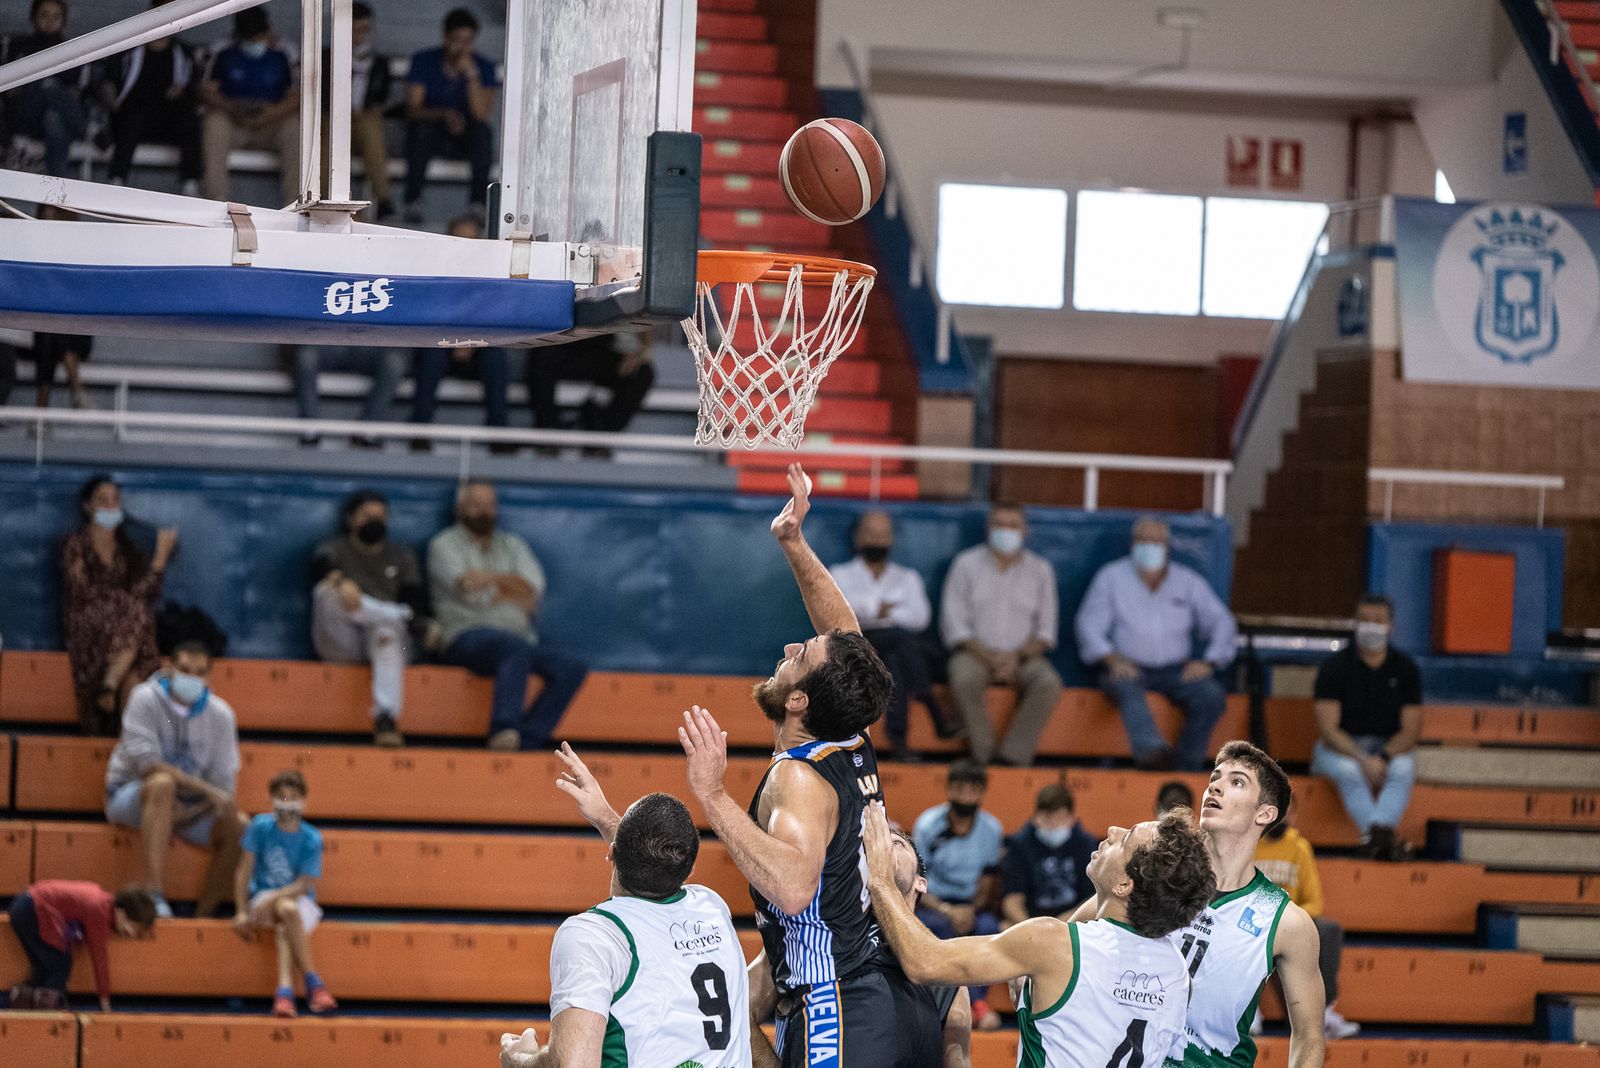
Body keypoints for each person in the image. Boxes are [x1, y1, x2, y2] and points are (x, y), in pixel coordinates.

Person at [677, 463, 938, 1068]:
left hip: (835, 1000)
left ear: (798, 701)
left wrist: (712, 796)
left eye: (800, 657)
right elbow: (844, 633)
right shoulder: (850, 731)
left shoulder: (798, 775)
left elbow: (794, 890)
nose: (792, 646)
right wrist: (794, 541)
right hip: (864, 988)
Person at [863, 800, 1215, 1068]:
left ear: (1125, 885)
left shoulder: (1053, 943)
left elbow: (924, 962)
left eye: (1124, 840)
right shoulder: (1178, 974)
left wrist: (880, 878)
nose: (1111, 830)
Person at [500, 744, 750, 1068]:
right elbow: (655, 864)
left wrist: (520, 1059)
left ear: (612, 853)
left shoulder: (594, 937)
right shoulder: (712, 907)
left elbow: (572, 1065)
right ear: (689, 872)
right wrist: (604, 816)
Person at [1150, 741, 1325, 1068]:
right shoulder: (1156, 873)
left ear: (1265, 813)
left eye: (1237, 782)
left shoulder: (1287, 922)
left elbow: (1309, 1037)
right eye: (1215, 777)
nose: (1214, 786)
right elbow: (1078, 930)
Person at [746, 828, 972, 1068]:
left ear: (921, 883)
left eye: (896, 843)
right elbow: (737, 1009)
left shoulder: (947, 976)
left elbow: (958, 1061)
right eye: (871, 845)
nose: (882, 847)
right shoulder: (810, 938)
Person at [428, 481, 588, 750]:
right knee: (513, 648)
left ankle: (529, 740)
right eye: (477, 505)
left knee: (571, 666)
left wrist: (490, 579)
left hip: (519, 639)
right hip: (466, 636)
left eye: (490, 505)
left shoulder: (511, 544)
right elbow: (471, 593)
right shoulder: (444, 545)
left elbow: (534, 587)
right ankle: (503, 729)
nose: (486, 512)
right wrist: (512, 588)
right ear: (461, 509)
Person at [1075, 516, 1238, 772]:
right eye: (1144, 540)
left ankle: (1187, 767)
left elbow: (1222, 622)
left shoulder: (1187, 581)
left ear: (1168, 546)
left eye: (1157, 541)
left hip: (1177, 669)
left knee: (1211, 696)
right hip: (1127, 667)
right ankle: (1153, 756)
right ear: (1132, 543)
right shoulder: (1111, 577)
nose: (1150, 546)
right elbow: (1088, 624)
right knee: (1126, 687)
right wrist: (1111, 659)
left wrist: (1209, 661)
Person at [103, 639, 247, 919]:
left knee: (240, 826)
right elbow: (149, 766)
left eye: (198, 672)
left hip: (189, 808)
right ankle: (153, 893)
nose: (190, 677)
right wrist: (201, 790)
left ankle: (203, 918)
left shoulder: (222, 716)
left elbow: (224, 791)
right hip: (130, 794)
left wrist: (191, 809)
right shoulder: (145, 698)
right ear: (170, 668)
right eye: (184, 669)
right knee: (162, 784)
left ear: (208, 676)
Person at [940, 501, 1063, 767]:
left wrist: (1015, 658)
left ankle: (1013, 757)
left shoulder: (1040, 570)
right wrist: (990, 657)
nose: (1006, 531)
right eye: (999, 524)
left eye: (1013, 525)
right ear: (988, 528)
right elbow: (955, 626)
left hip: (1025, 657)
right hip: (975, 653)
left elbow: (1045, 632)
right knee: (962, 676)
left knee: (1048, 682)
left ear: (1025, 530)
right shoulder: (966, 564)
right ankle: (983, 756)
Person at [828, 509, 956, 760]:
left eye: (882, 534)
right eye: (871, 534)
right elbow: (843, 614)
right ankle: (930, 704)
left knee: (896, 655)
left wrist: (875, 612)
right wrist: (888, 609)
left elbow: (919, 618)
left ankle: (899, 738)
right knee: (899, 640)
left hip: (893, 648)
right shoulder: (840, 573)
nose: (877, 540)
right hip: (857, 647)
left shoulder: (907, 577)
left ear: (892, 539)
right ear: (858, 538)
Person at [311, 490, 431, 748]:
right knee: (327, 593)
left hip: (391, 645)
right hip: (342, 644)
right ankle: (382, 610)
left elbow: (415, 606)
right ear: (350, 519)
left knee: (388, 631)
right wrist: (342, 582)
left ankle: (386, 718)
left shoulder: (402, 556)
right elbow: (322, 567)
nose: (374, 521)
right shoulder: (333, 548)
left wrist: (394, 615)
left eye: (380, 516)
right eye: (367, 515)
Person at [61, 474, 178, 735]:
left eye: (115, 500)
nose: (110, 506)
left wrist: (159, 559)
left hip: (125, 634)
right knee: (137, 614)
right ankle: (110, 682)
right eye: (102, 500)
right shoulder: (75, 545)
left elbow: (145, 593)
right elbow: (80, 590)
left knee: (136, 675)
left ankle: (115, 702)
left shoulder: (127, 549)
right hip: (88, 626)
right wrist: (120, 601)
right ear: (87, 506)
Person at [1310, 594, 1422, 861]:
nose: (1371, 626)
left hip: (1387, 747)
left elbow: (1411, 730)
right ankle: (1383, 838)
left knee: (1403, 768)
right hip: (1338, 749)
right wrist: (1363, 758)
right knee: (1349, 771)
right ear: (1355, 623)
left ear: (1391, 625)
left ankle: (1374, 840)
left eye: (1378, 620)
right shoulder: (1334, 667)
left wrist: (1382, 757)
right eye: (1364, 620)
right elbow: (1329, 730)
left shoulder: (1406, 668)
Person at [232, 769, 336, 1018]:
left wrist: (273, 898)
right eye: (281, 796)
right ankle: (314, 986)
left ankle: (285, 992)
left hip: (297, 902)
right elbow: (243, 872)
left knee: (287, 914)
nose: (287, 802)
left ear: (304, 801)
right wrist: (241, 911)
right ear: (271, 798)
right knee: (286, 912)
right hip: (261, 900)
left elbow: (303, 885)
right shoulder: (259, 826)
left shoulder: (311, 838)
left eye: (293, 796)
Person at [912, 758, 1006, 1031]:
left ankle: (975, 1004)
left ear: (982, 792)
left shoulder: (991, 829)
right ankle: (956, 1006)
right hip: (932, 902)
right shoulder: (928, 824)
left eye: (973, 789)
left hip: (970, 904)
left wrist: (970, 910)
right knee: (938, 927)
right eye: (960, 788)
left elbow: (986, 885)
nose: (966, 795)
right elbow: (916, 881)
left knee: (989, 927)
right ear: (949, 790)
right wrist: (946, 909)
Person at [1255, 804, 1359, 1040]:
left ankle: (1323, 1011)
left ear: (1294, 815)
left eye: (1288, 811)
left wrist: (1290, 918)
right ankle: (1246, 1011)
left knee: (1328, 930)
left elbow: (1315, 903)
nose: (1283, 817)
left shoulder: (1300, 848)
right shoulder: (1250, 844)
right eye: (1279, 809)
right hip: (1255, 921)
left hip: (1289, 922)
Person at [410, 215, 510, 447]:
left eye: (471, 240)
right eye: (459, 240)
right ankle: (419, 431)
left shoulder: (491, 272)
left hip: (478, 345)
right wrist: (455, 340)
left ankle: (500, 435)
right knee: (431, 356)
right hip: (440, 343)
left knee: (495, 357)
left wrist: (471, 342)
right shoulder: (433, 272)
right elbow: (429, 314)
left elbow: (493, 314)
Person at [402, 8, 497, 222]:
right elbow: (412, 109)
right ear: (446, 36)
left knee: (483, 132)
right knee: (420, 131)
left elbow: (481, 114)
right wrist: (443, 114)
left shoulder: (483, 67)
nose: (463, 46)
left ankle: (477, 205)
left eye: (469, 40)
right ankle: (413, 201)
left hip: (465, 136)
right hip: (432, 130)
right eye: (457, 40)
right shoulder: (424, 60)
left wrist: (472, 76)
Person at [5, 880, 157, 1012]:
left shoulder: (101, 900)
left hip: (24, 904)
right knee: (60, 964)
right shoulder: (100, 910)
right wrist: (104, 1001)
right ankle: (49, 1014)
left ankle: (24, 1006)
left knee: (42, 966)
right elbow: (99, 957)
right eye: (133, 929)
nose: (130, 936)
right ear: (122, 914)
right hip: (33, 909)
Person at [200, 8, 299, 206]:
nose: (253, 43)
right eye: (249, 38)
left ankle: (295, 203)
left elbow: (296, 97)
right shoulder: (224, 53)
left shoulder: (282, 55)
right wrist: (232, 107)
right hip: (235, 123)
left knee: (295, 128)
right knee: (214, 123)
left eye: (258, 37)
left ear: (268, 30)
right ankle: (218, 202)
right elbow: (206, 92)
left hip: (270, 124)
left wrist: (271, 113)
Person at [100, 0, 202, 194]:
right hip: (132, 119)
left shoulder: (184, 54)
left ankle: (190, 183)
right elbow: (109, 84)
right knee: (133, 115)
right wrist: (111, 102)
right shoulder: (128, 50)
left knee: (191, 120)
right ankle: (117, 179)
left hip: (166, 121)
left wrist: (182, 92)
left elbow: (194, 93)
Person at [0, 0, 89, 179]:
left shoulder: (72, 50)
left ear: (63, 20)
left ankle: (56, 193)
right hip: (24, 117)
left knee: (53, 118)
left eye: (56, 16)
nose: (50, 20)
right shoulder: (18, 45)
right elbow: (7, 91)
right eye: (44, 15)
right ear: (34, 18)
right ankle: (89, 130)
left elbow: (78, 93)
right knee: (47, 84)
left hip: (56, 122)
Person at [322, 1, 394, 219]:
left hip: (363, 121)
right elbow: (320, 95)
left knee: (370, 126)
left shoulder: (379, 63)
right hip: (332, 119)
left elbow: (381, 99)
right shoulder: (326, 57)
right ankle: (326, 197)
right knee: (331, 133)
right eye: (355, 29)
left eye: (365, 29)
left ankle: (383, 198)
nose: (361, 35)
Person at [1000, 783, 1097, 928]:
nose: (1053, 825)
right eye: (1046, 818)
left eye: (1059, 818)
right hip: (1030, 922)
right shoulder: (1019, 844)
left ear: (1071, 818)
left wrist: (1063, 924)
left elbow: (1094, 899)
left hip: (1073, 922)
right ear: (1035, 818)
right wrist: (1028, 927)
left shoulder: (1086, 845)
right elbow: (1012, 899)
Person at [528, 333, 657, 441]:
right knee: (542, 357)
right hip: (561, 345)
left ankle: (603, 436)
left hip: (602, 348)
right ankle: (548, 433)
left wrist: (640, 354)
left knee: (642, 372)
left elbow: (645, 322)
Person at [290, 343, 405, 446]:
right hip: (326, 341)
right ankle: (310, 429)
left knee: (393, 362)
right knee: (305, 356)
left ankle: (367, 429)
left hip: (367, 345)